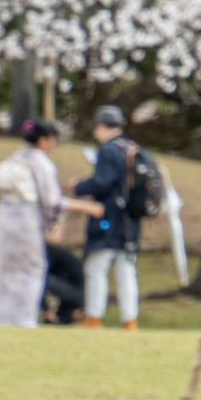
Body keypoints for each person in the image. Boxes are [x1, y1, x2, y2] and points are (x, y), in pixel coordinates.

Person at [0, 119, 94, 327]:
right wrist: (86, 207)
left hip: (6, 216)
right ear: (44, 141)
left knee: (5, 268)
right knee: (32, 268)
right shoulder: (42, 163)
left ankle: (3, 317)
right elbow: (53, 201)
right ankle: (25, 317)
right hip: (27, 217)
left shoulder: (17, 157)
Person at [73, 105, 148, 329]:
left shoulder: (107, 150)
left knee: (96, 266)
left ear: (102, 127)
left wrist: (79, 186)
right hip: (131, 220)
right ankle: (130, 319)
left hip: (109, 218)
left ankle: (94, 317)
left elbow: (102, 182)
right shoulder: (132, 148)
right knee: (126, 270)